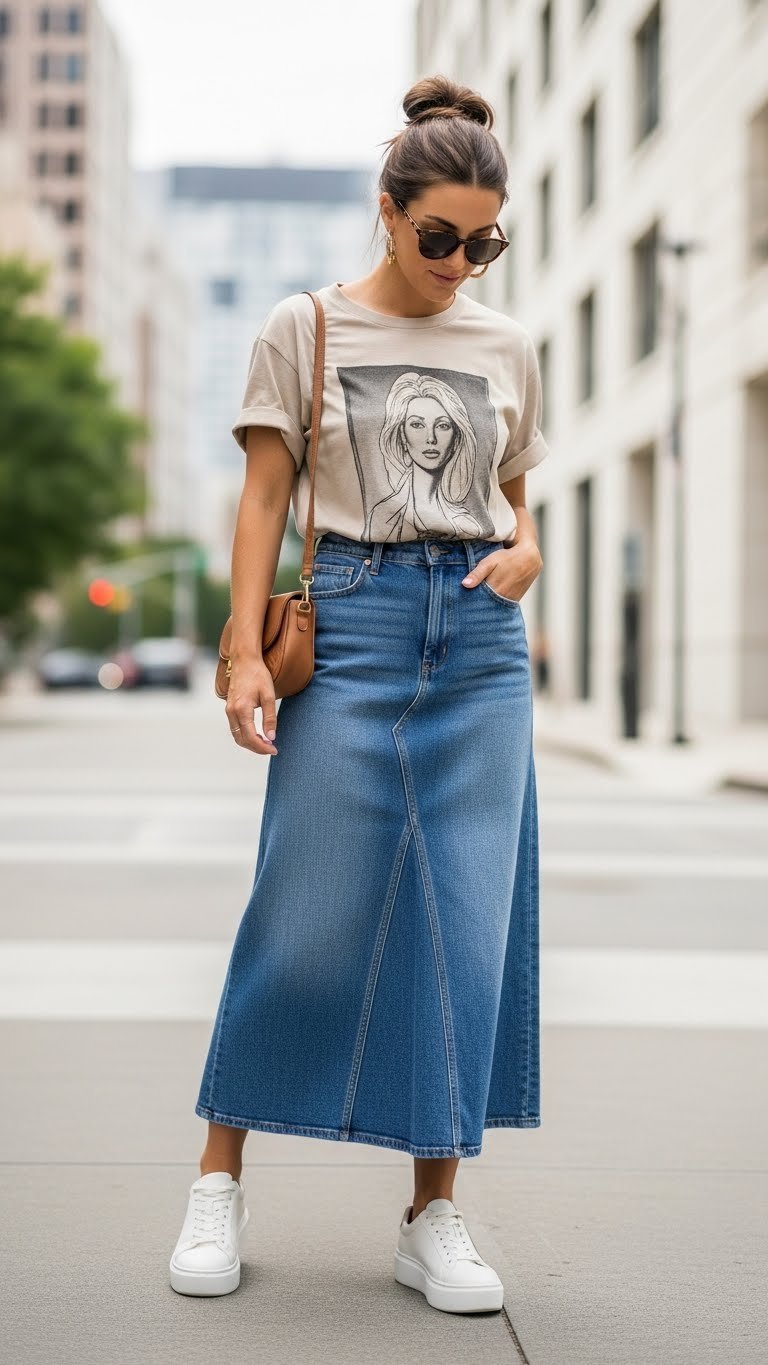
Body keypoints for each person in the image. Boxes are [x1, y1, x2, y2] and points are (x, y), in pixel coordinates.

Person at [169, 73, 550, 1315]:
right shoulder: (308, 325)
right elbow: (267, 500)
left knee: (464, 929)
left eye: (482, 242)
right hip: (357, 627)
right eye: (438, 236)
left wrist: (528, 554)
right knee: (307, 908)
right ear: (387, 213)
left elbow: (519, 502)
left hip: (480, 648)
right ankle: (219, 1178)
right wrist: (239, 648)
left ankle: (433, 1210)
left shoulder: (505, 346)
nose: (458, 263)